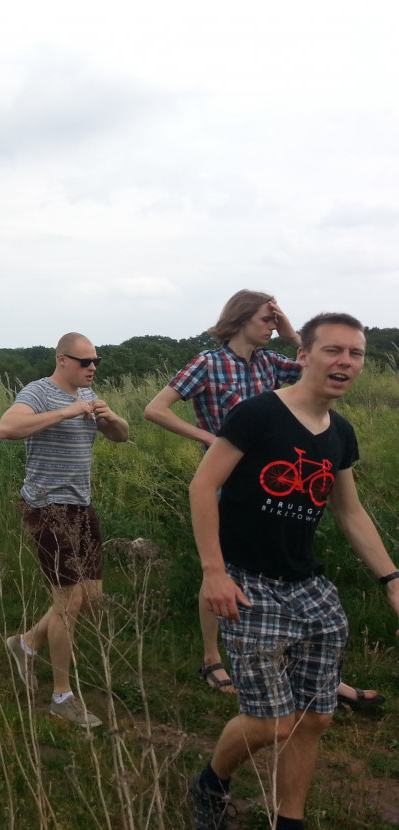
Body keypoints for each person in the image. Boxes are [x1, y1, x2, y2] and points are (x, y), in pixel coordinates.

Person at [186, 313, 399, 830]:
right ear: (302, 357)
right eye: (333, 350)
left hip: (308, 586)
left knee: (317, 716)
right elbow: (201, 486)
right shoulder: (257, 414)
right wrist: (215, 572)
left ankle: (291, 822)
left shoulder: (340, 433)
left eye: (356, 353)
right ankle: (209, 785)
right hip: (249, 582)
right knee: (272, 722)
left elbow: (350, 512)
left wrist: (392, 579)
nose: (345, 361)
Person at [144, 290, 382, 708]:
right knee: (218, 566)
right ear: (240, 319)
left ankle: (316, 674)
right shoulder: (208, 363)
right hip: (223, 473)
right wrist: (208, 436)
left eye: (276, 319)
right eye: (267, 318)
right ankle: (212, 657)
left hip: (274, 477)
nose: (273, 325)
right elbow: (155, 409)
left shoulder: (271, 363)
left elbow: (318, 364)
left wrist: (294, 333)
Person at [0, 333, 130, 728]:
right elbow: (7, 428)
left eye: (96, 361)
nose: (92, 368)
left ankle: (25, 643)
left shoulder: (91, 395)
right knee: (68, 603)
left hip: (81, 505)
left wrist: (109, 418)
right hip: (47, 507)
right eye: (85, 361)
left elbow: (122, 436)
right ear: (62, 360)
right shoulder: (39, 392)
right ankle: (62, 696)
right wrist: (68, 412)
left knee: (91, 596)